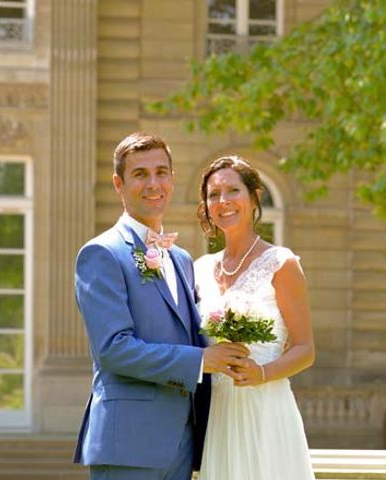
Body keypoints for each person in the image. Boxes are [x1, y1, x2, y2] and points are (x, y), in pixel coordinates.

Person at [73, 133, 249, 480]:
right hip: (127, 444)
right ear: (118, 184)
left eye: (161, 172)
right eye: (140, 174)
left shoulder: (182, 260)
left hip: (183, 443)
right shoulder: (101, 253)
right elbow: (113, 349)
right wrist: (201, 361)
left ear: (171, 178)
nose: (153, 184)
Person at [194, 155, 316, 480]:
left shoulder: (281, 264)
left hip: (267, 410)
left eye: (232, 190)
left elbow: (305, 349)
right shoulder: (200, 269)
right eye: (213, 194)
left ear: (254, 197)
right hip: (219, 414)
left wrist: (261, 373)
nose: (223, 201)